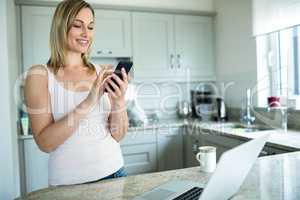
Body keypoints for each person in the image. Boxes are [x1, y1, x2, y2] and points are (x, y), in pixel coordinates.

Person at [24, 0, 129, 186]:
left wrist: (119, 102)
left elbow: (118, 135)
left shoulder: (100, 72)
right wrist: (89, 101)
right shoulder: (39, 75)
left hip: (114, 174)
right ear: (60, 27)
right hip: (68, 185)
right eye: (77, 25)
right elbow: (45, 144)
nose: (86, 34)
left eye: (90, 27)